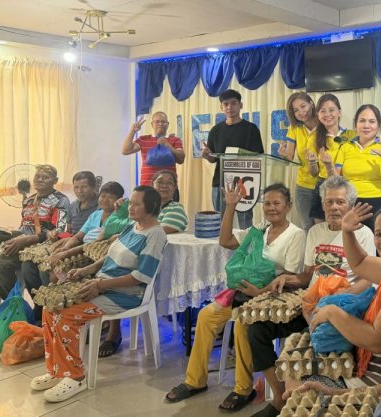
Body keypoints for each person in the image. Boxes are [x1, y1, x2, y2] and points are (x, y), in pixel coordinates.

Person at [246, 176, 376, 417]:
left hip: (341, 309)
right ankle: (279, 398)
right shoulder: (315, 232)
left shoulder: (364, 234)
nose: (334, 207)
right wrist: (287, 279)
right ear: (322, 205)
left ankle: (314, 399)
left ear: (350, 205)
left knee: (314, 347)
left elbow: (368, 279)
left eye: (340, 202)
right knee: (256, 330)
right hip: (309, 304)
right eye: (329, 202)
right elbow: (307, 275)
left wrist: (334, 302)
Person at [165, 183, 306, 404]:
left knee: (242, 323)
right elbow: (226, 241)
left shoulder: (296, 234)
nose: (271, 208)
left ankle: (243, 389)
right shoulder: (259, 230)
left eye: (277, 203)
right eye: (267, 203)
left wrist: (259, 291)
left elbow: (289, 275)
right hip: (242, 293)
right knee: (206, 316)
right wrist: (230, 206)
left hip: (273, 297)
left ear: (288, 206)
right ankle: (195, 380)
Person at [277, 204, 381, 416]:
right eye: (379, 234)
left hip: (375, 380)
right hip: (368, 366)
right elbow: (360, 262)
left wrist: (333, 312)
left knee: (296, 381)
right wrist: (347, 230)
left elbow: (378, 341)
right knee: (292, 366)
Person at [29, 186, 167, 403]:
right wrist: (86, 270)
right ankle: (57, 369)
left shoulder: (155, 235)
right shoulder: (133, 226)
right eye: (130, 203)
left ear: (152, 207)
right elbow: (110, 255)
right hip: (103, 284)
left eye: (136, 204)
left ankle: (76, 376)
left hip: (125, 294)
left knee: (65, 315)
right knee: (49, 308)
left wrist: (101, 285)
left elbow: (141, 276)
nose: (130, 207)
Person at [101, 170, 188, 358]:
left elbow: (157, 229)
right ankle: (98, 322)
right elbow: (112, 226)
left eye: (170, 182)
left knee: (115, 270)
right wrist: (119, 212)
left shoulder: (173, 211)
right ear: (152, 185)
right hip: (129, 257)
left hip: (151, 266)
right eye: (160, 181)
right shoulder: (136, 212)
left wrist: (127, 230)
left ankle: (110, 329)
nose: (164, 185)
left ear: (175, 188)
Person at [21, 171, 100, 314]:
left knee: (47, 267)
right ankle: (40, 306)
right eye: (76, 187)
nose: (79, 191)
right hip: (70, 241)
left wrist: (65, 245)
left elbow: (91, 238)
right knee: (27, 265)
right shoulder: (73, 205)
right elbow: (66, 229)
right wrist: (58, 237)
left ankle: (53, 307)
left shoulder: (100, 207)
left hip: (87, 249)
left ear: (93, 187)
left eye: (84, 187)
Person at [0, 164, 70, 299]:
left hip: (42, 244)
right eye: (38, 176)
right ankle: (14, 303)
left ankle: (32, 305)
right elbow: (24, 225)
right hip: (22, 241)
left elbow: (59, 230)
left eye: (45, 177)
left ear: (55, 181)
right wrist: (13, 234)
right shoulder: (29, 200)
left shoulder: (61, 200)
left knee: (1, 261)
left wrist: (27, 239)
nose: (40, 179)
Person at [335, 104, 381, 230]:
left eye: (372, 121)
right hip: (351, 204)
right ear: (355, 124)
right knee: (351, 240)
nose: (366, 125)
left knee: (380, 240)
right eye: (362, 121)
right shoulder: (345, 147)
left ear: (378, 125)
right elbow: (336, 180)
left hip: (380, 203)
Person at [202, 89, 264, 229]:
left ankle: (246, 244)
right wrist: (207, 155)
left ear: (240, 105)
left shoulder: (251, 129)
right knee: (221, 221)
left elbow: (258, 156)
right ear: (221, 107)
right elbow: (213, 159)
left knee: (245, 222)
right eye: (226, 104)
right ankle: (222, 243)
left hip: (244, 181)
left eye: (233, 103)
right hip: (220, 182)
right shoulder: (215, 130)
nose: (230, 107)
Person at [307, 94, 356, 223]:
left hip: (346, 185)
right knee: (321, 228)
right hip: (323, 184)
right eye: (323, 111)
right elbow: (314, 173)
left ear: (339, 112)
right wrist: (312, 162)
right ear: (318, 115)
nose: (327, 114)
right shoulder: (314, 138)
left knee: (345, 226)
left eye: (331, 110)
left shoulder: (352, 135)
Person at [280, 92, 318, 229]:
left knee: (323, 227)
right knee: (307, 226)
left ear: (311, 104)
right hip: (303, 185)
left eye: (303, 106)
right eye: (296, 110)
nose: (301, 112)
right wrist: (283, 153)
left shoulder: (324, 124)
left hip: (323, 184)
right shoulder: (295, 128)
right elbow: (289, 157)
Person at [121, 111, 185, 186]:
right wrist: (133, 131)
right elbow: (125, 150)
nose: (160, 124)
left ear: (167, 124)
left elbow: (181, 159)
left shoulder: (175, 140)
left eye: (163, 122)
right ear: (152, 124)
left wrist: (167, 145)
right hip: (147, 186)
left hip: (168, 186)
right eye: (157, 121)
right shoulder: (144, 139)